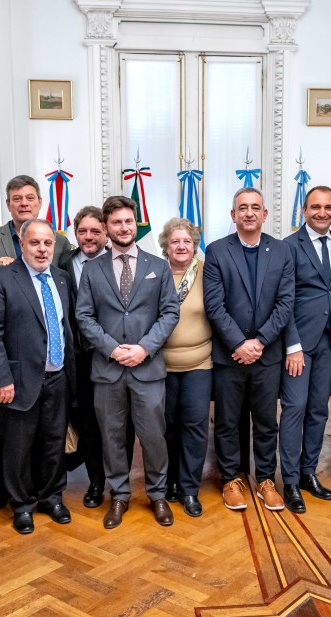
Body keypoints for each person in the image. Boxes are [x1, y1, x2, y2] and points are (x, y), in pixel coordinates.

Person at [75, 196, 180, 529]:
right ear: (106, 228)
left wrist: (144, 348)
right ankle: (119, 494)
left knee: (153, 437)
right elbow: (84, 316)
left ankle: (158, 494)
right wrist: (112, 349)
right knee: (112, 437)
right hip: (108, 371)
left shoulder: (157, 266)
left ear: (136, 224)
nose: (124, 227)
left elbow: (170, 312)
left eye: (128, 221)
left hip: (147, 369)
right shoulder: (92, 270)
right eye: (116, 222)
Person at [0, 219, 76, 535]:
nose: (42, 249)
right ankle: (21, 505)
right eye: (35, 242)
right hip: (17, 381)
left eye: (48, 243)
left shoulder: (61, 279)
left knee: (53, 443)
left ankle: (52, 496)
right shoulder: (1, 279)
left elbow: (67, 328)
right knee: (17, 448)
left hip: (57, 377)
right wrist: (1, 378)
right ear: (21, 244)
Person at [203, 187, 294, 512]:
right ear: (233, 215)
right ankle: (230, 479)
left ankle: (266, 480)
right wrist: (239, 343)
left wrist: (259, 342)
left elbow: (285, 304)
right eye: (243, 208)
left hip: (267, 355)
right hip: (229, 356)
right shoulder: (216, 251)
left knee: (267, 422)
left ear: (265, 214)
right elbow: (214, 306)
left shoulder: (282, 251)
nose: (250, 213)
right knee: (227, 421)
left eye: (256, 207)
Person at [279, 186, 331, 513]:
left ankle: (309, 472)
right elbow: (284, 300)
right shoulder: (288, 247)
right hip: (299, 345)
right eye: (316, 207)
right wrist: (292, 345)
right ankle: (290, 481)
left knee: (319, 410)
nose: (323, 213)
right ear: (304, 211)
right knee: (295, 409)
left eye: (329, 207)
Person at [158, 218, 212, 518]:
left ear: (194, 245)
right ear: (166, 245)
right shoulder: (154, 273)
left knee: (194, 427)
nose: (180, 246)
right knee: (165, 428)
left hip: (199, 363)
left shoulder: (207, 273)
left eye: (186, 241)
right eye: (175, 241)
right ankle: (168, 485)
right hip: (159, 365)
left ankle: (190, 488)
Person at [58, 205, 111, 509]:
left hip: (111, 355)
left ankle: (118, 478)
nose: (88, 236)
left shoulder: (119, 263)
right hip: (76, 358)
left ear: (105, 232)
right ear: (75, 234)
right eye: (82, 231)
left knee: (114, 422)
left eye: (95, 230)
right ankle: (95, 482)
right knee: (87, 421)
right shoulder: (64, 264)